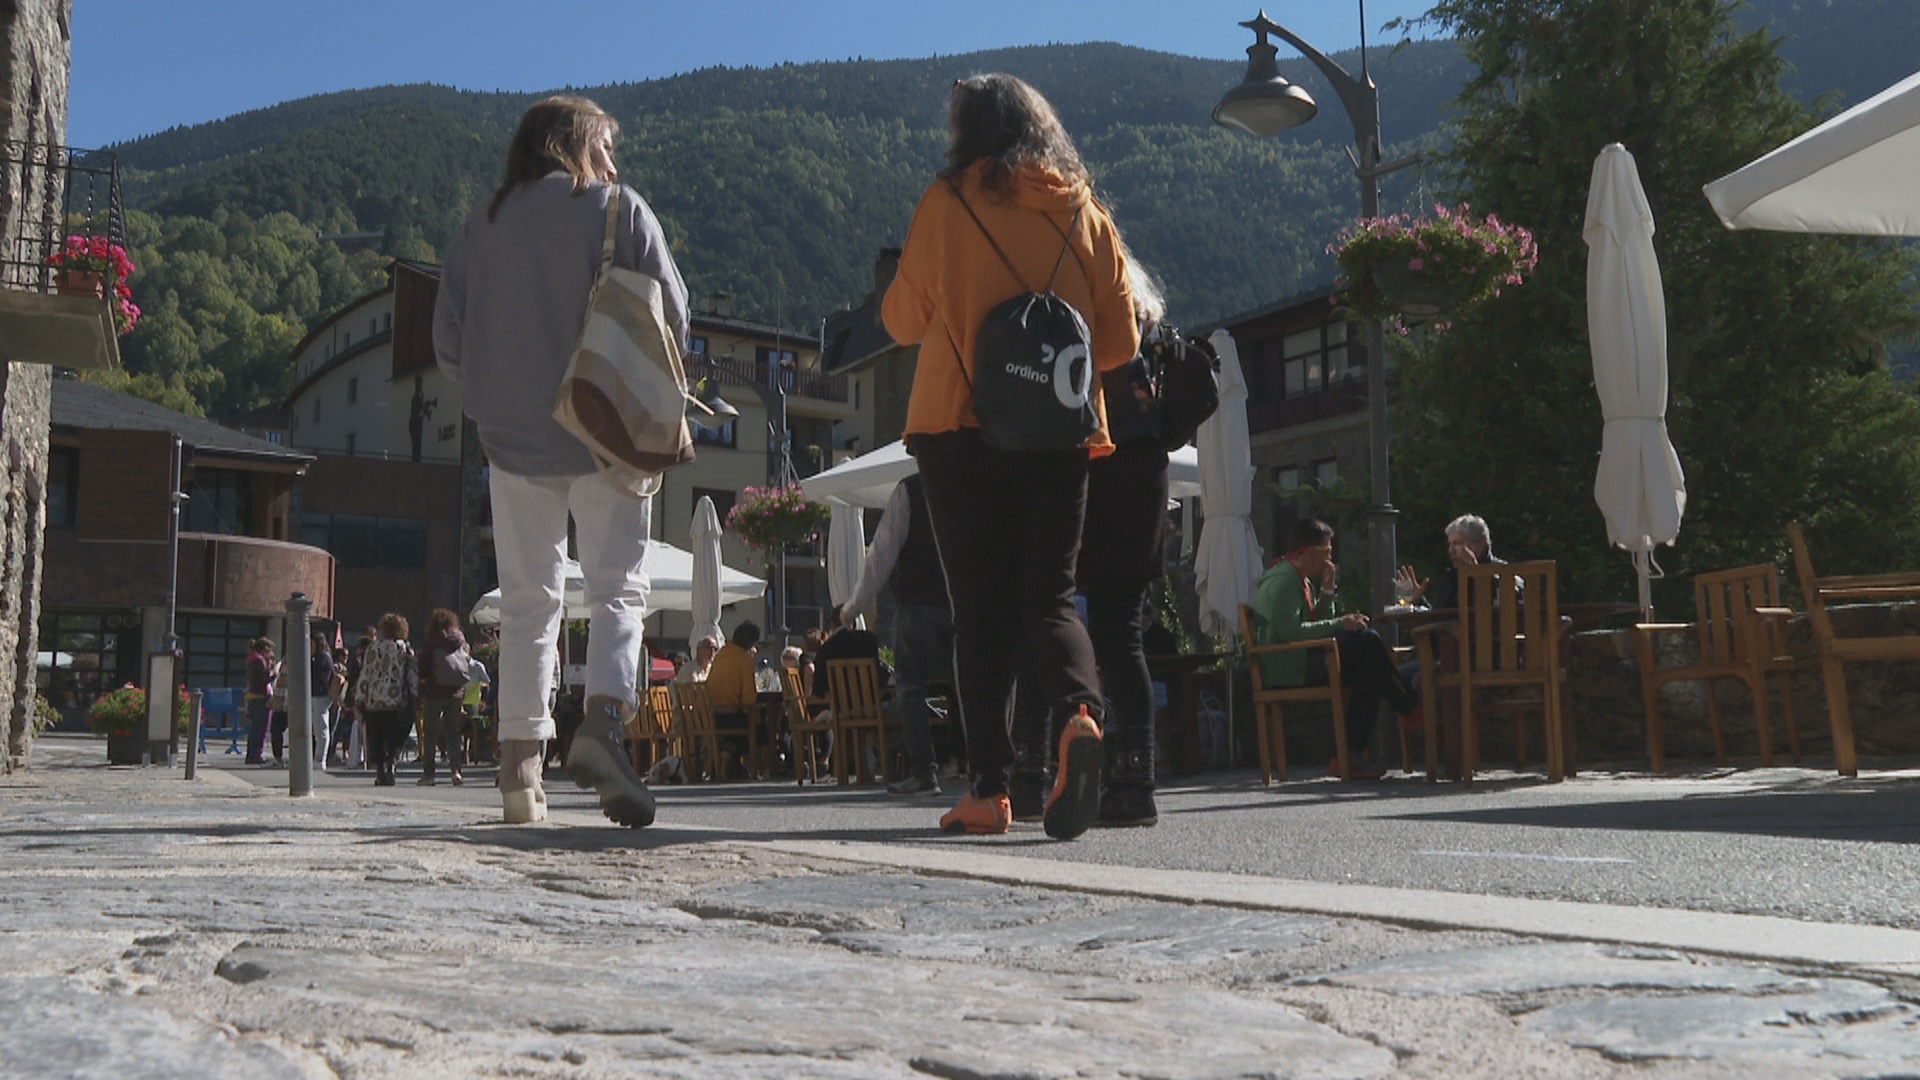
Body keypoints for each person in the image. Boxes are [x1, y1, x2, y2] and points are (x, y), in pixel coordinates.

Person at [881, 73, 1139, 838]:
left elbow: (901, 321)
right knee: (1051, 598)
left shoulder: (949, 200)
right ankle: (1080, 719)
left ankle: (989, 791)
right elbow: (1120, 344)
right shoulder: (1083, 209)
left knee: (981, 612)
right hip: (1057, 435)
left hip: (957, 429)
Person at [434, 95, 687, 827]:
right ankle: (604, 727)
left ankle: (519, 772)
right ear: (573, 143)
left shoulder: (480, 224)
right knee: (616, 588)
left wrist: (498, 389)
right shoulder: (618, 208)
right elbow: (673, 314)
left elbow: (447, 342)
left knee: (527, 602)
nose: (614, 163)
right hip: (605, 428)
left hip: (510, 442)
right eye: (606, 146)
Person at [1251, 518, 1417, 778]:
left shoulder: (1300, 579)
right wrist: (1341, 622)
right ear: (1305, 552)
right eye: (1326, 552)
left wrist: (1327, 591)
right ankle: (1407, 706)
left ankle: (1346, 757)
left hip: (1301, 657)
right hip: (1288, 666)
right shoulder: (1283, 582)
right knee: (1369, 642)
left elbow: (1316, 623)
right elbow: (1292, 633)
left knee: (1369, 670)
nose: (1330, 558)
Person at [841, 474, 953, 798]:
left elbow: (882, 553)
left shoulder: (912, 490)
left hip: (918, 603)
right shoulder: (971, 483)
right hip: (962, 602)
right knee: (973, 685)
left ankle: (924, 772)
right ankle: (987, 771)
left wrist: (854, 605)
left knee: (910, 687)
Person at [353, 613, 418, 787]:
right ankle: (392, 763)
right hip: (397, 700)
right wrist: (415, 695)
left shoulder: (373, 648)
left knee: (377, 737)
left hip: (374, 701)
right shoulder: (404, 648)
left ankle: (380, 771)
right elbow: (412, 675)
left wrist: (359, 698)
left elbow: (365, 674)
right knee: (396, 735)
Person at [1399, 513, 1506, 611]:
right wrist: (1418, 601)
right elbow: (1440, 619)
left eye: (1457, 543)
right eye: (1449, 544)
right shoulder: (1453, 576)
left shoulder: (1504, 574)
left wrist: (1477, 576)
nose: (1451, 550)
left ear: (1480, 544)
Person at [417, 608, 470, 787]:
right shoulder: (461, 641)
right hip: (456, 692)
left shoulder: (432, 642)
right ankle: (456, 771)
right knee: (453, 733)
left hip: (434, 692)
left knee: (430, 733)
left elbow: (422, 667)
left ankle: (429, 774)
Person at [704, 622, 760, 776]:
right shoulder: (744, 660)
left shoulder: (720, 655)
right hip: (730, 717)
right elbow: (748, 700)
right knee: (762, 728)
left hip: (712, 716)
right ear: (751, 642)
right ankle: (734, 753)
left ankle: (731, 756)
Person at [242, 638, 274, 765]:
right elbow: (263, 680)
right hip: (261, 698)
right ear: (264, 650)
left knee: (255, 728)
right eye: (269, 651)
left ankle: (252, 753)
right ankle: (256, 754)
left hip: (254, 697)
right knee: (261, 728)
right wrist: (272, 673)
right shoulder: (260, 662)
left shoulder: (252, 660)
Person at [308, 633, 335, 770]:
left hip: (320, 695)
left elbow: (321, 676)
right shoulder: (322, 657)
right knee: (318, 728)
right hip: (319, 695)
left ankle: (320, 759)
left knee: (321, 729)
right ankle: (319, 757)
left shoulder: (322, 658)